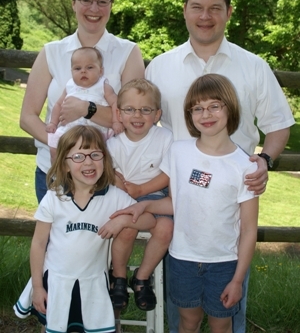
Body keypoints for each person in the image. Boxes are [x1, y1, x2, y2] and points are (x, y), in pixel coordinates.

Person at [145, 0, 295, 333]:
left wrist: (265, 160)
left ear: (228, 12)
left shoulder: (253, 66)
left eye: (215, 8)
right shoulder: (159, 67)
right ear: (185, 11)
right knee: (182, 307)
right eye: (197, 7)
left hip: (230, 198)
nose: (205, 15)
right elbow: (141, 122)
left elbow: (279, 124)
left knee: (226, 306)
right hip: (177, 193)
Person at [110, 73, 259, 333]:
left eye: (215, 105)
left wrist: (238, 280)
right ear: (190, 114)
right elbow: (176, 203)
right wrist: (144, 205)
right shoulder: (178, 152)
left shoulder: (245, 167)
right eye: (198, 108)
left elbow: (248, 230)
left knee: (220, 325)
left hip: (224, 263)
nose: (206, 114)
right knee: (187, 323)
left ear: (230, 108)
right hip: (182, 260)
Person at [13, 125, 156, 333]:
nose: (88, 162)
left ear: (104, 160)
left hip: (93, 283)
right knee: (52, 327)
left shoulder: (113, 196)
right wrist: (37, 286)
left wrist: (123, 221)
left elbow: (149, 220)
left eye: (95, 155)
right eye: (78, 156)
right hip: (56, 281)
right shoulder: (54, 198)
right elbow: (38, 243)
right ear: (64, 164)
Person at [20, 0, 145, 204]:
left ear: (111, 6)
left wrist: (87, 109)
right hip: (55, 170)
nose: (94, 9)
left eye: (102, 2)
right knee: (53, 241)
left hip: (105, 172)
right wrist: (65, 147)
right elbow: (27, 117)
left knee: (99, 241)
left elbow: (133, 119)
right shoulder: (51, 52)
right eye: (86, 0)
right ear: (74, 4)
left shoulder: (128, 52)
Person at [106, 78, 174, 311]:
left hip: (154, 195)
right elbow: (111, 172)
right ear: (119, 113)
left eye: (146, 110)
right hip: (122, 197)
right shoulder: (113, 145)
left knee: (166, 228)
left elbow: (168, 173)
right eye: (130, 110)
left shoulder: (165, 138)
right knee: (126, 229)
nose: (138, 116)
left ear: (157, 115)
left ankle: (142, 277)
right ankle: (118, 276)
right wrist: (126, 191)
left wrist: (142, 190)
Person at [46, 47, 123, 164]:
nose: (83, 71)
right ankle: (58, 173)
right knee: (54, 147)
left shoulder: (103, 86)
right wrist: (53, 122)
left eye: (90, 67)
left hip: (94, 131)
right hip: (68, 129)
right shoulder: (70, 86)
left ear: (100, 71)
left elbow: (115, 103)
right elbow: (58, 104)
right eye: (77, 68)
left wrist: (116, 121)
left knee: (97, 156)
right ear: (71, 71)